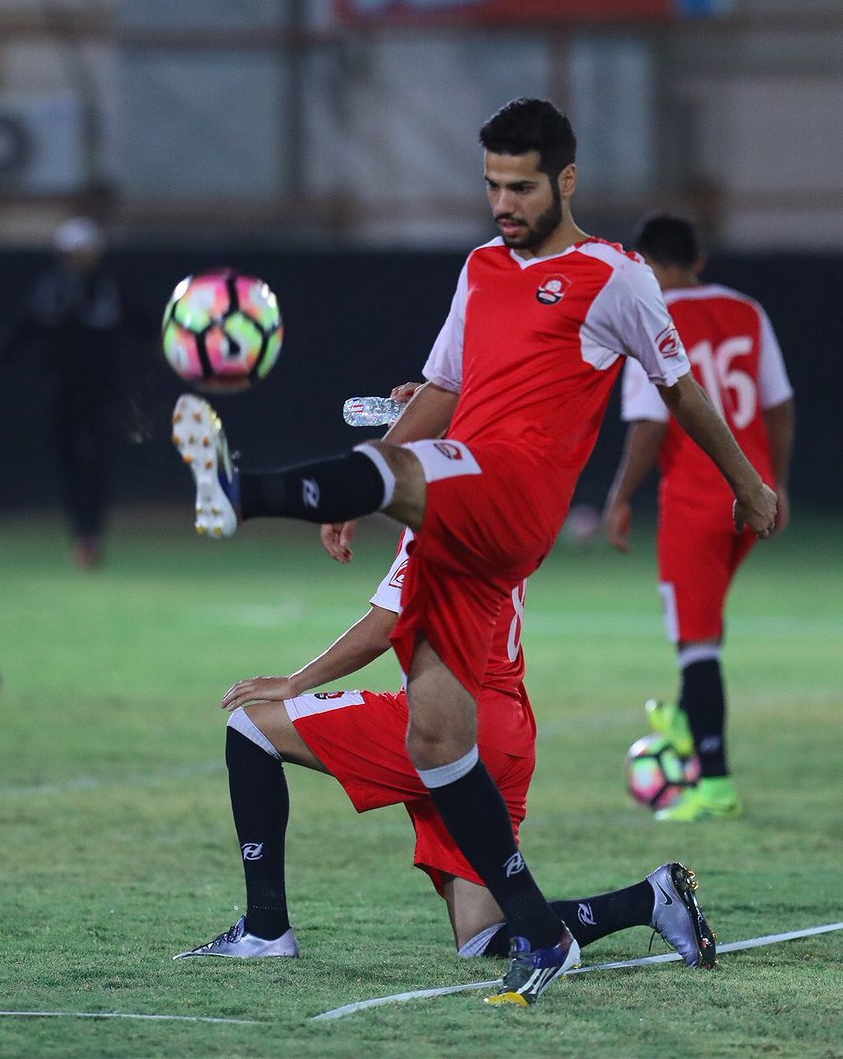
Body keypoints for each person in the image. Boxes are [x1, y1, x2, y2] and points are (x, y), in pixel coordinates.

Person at [171, 97, 776, 1005]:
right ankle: (586, 918)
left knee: (405, 479)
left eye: (521, 185)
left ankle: (243, 489)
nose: (503, 200)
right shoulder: (480, 270)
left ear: (565, 180)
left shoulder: (614, 275)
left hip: (517, 487)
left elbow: (680, 391)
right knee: (449, 790)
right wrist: (351, 486)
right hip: (471, 559)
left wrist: (746, 481)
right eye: (491, 183)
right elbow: (444, 386)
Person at [174, 528, 716, 970]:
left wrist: (295, 681)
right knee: (483, 938)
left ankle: (265, 928)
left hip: (446, 721)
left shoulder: (443, 509)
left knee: (251, 726)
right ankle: (650, 899)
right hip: (506, 728)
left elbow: (383, 626)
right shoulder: (501, 502)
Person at [603, 213, 795, 822]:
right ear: (700, 261)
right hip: (751, 491)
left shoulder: (653, 318)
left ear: (646, 266)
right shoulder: (748, 310)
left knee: (696, 643)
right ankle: (686, 723)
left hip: (695, 497)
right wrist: (776, 484)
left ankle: (711, 781)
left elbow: (652, 424)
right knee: (705, 625)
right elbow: (779, 405)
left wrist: (619, 497)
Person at [0, 215, 129, 569]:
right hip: (62, 391)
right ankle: (81, 534)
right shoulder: (50, 289)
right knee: (70, 462)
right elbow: (21, 327)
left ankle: (93, 533)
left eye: (85, 252)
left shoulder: (109, 289)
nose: (79, 259)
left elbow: (142, 325)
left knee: (99, 462)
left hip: (104, 393)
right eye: (73, 252)